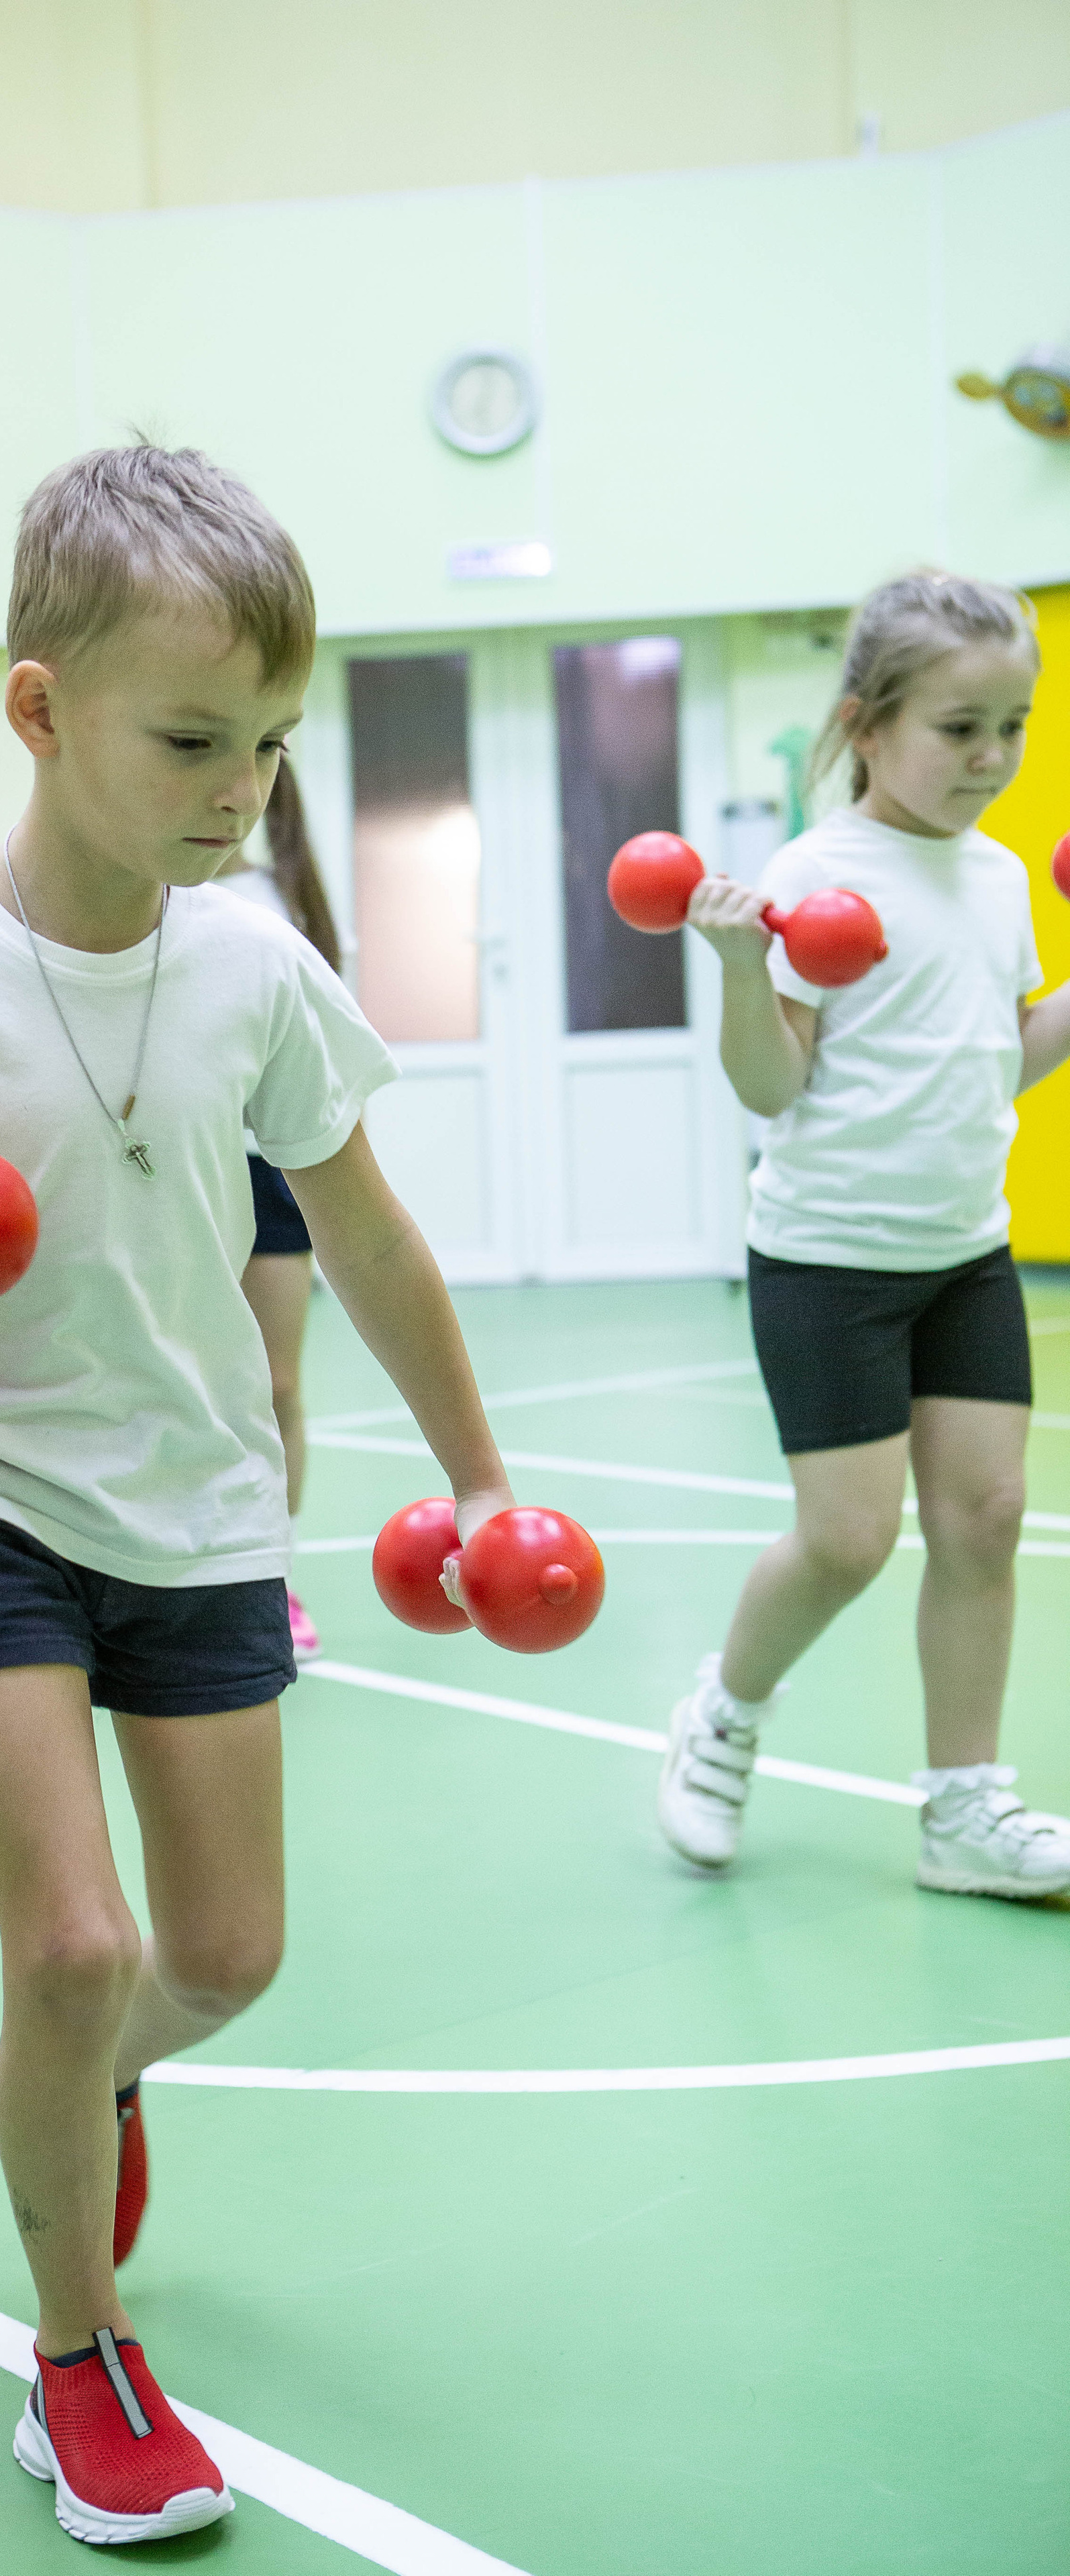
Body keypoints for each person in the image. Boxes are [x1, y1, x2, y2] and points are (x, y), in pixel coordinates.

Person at [0, 443, 517, 2546]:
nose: (235, 784)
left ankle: (106, 2079)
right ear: (36, 707)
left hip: (202, 1506)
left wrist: (480, 1475)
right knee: (68, 1945)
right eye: (188, 737)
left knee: (220, 1952)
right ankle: (78, 2355)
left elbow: (369, 1235)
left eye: (264, 742)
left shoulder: (255, 965)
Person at [658, 572, 1070, 1898]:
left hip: (962, 1251)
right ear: (864, 724)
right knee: (842, 1539)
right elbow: (771, 1086)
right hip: (827, 1259)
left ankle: (964, 1808)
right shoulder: (811, 874)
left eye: (1010, 724)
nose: (990, 757)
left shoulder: (1000, 876)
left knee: (986, 1516)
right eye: (959, 727)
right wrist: (736, 969)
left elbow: (998, 1062)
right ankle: (720, 1713)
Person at [214, 755, 342, 1656]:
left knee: (276, 1383)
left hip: (269, 1170)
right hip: (175, 1167)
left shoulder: (273, 897)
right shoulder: (143, 891)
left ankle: (272, 1574)